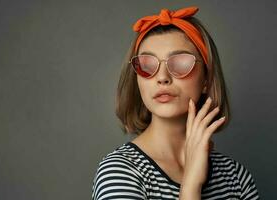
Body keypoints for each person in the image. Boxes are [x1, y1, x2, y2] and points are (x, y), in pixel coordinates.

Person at [91, 6, 260, 200]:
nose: (162, 78)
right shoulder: (119, 173)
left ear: (206, 78)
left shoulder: (236, 178)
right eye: (146, 65)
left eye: (180, 63)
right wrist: (191, 186)